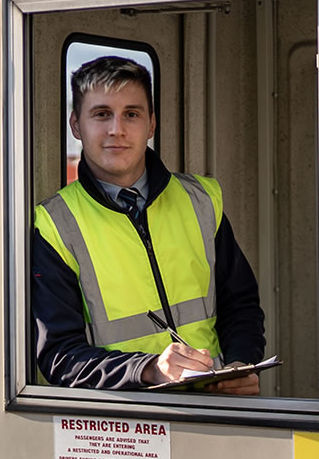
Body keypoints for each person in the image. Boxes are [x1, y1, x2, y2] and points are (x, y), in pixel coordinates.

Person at [32, 56, 265, 394]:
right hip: (128, 429)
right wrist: (148, 370)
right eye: (101, 114)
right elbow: (60, 356)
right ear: (76, 125)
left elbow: (241, 305)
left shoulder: (201, 199)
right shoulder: (54, 225)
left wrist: (240, 364)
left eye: (132, 114)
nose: (117, 129)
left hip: (217, 410)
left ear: (151, 124)